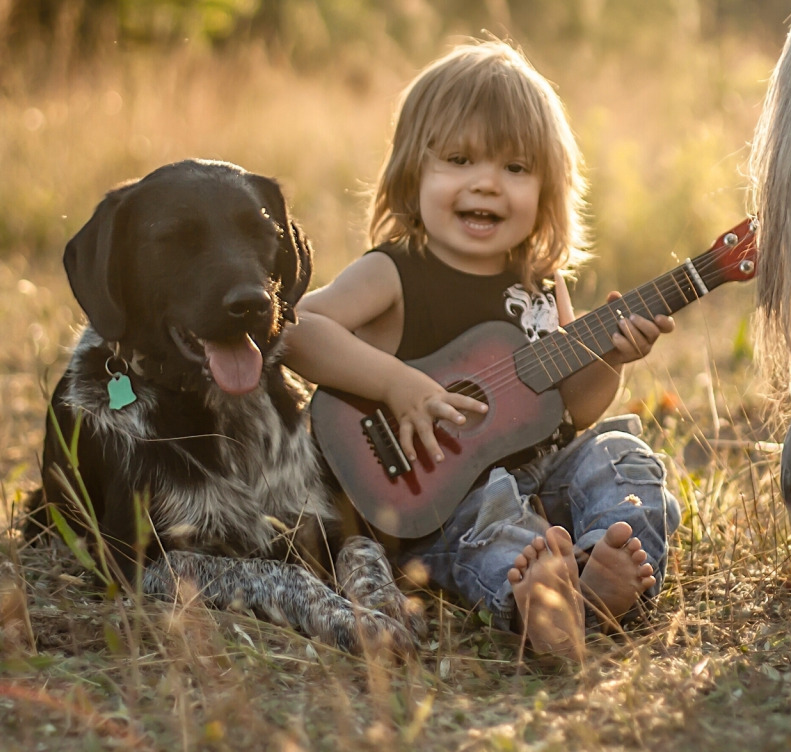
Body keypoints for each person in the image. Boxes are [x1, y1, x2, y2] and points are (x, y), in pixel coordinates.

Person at [285, 40, 681, 659]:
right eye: (460, 159)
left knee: (622, 455)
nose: (487, 184)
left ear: (547, 189)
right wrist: (396, 384)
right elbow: (298, 329)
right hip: (439, 501)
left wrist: (609, 359)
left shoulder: (542, 284)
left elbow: (572, 414)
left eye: (516, 169)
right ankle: (539, 604)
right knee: (495, 525)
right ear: (414, 172)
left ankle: (602, 572)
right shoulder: (394, 272)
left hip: (544, 479)